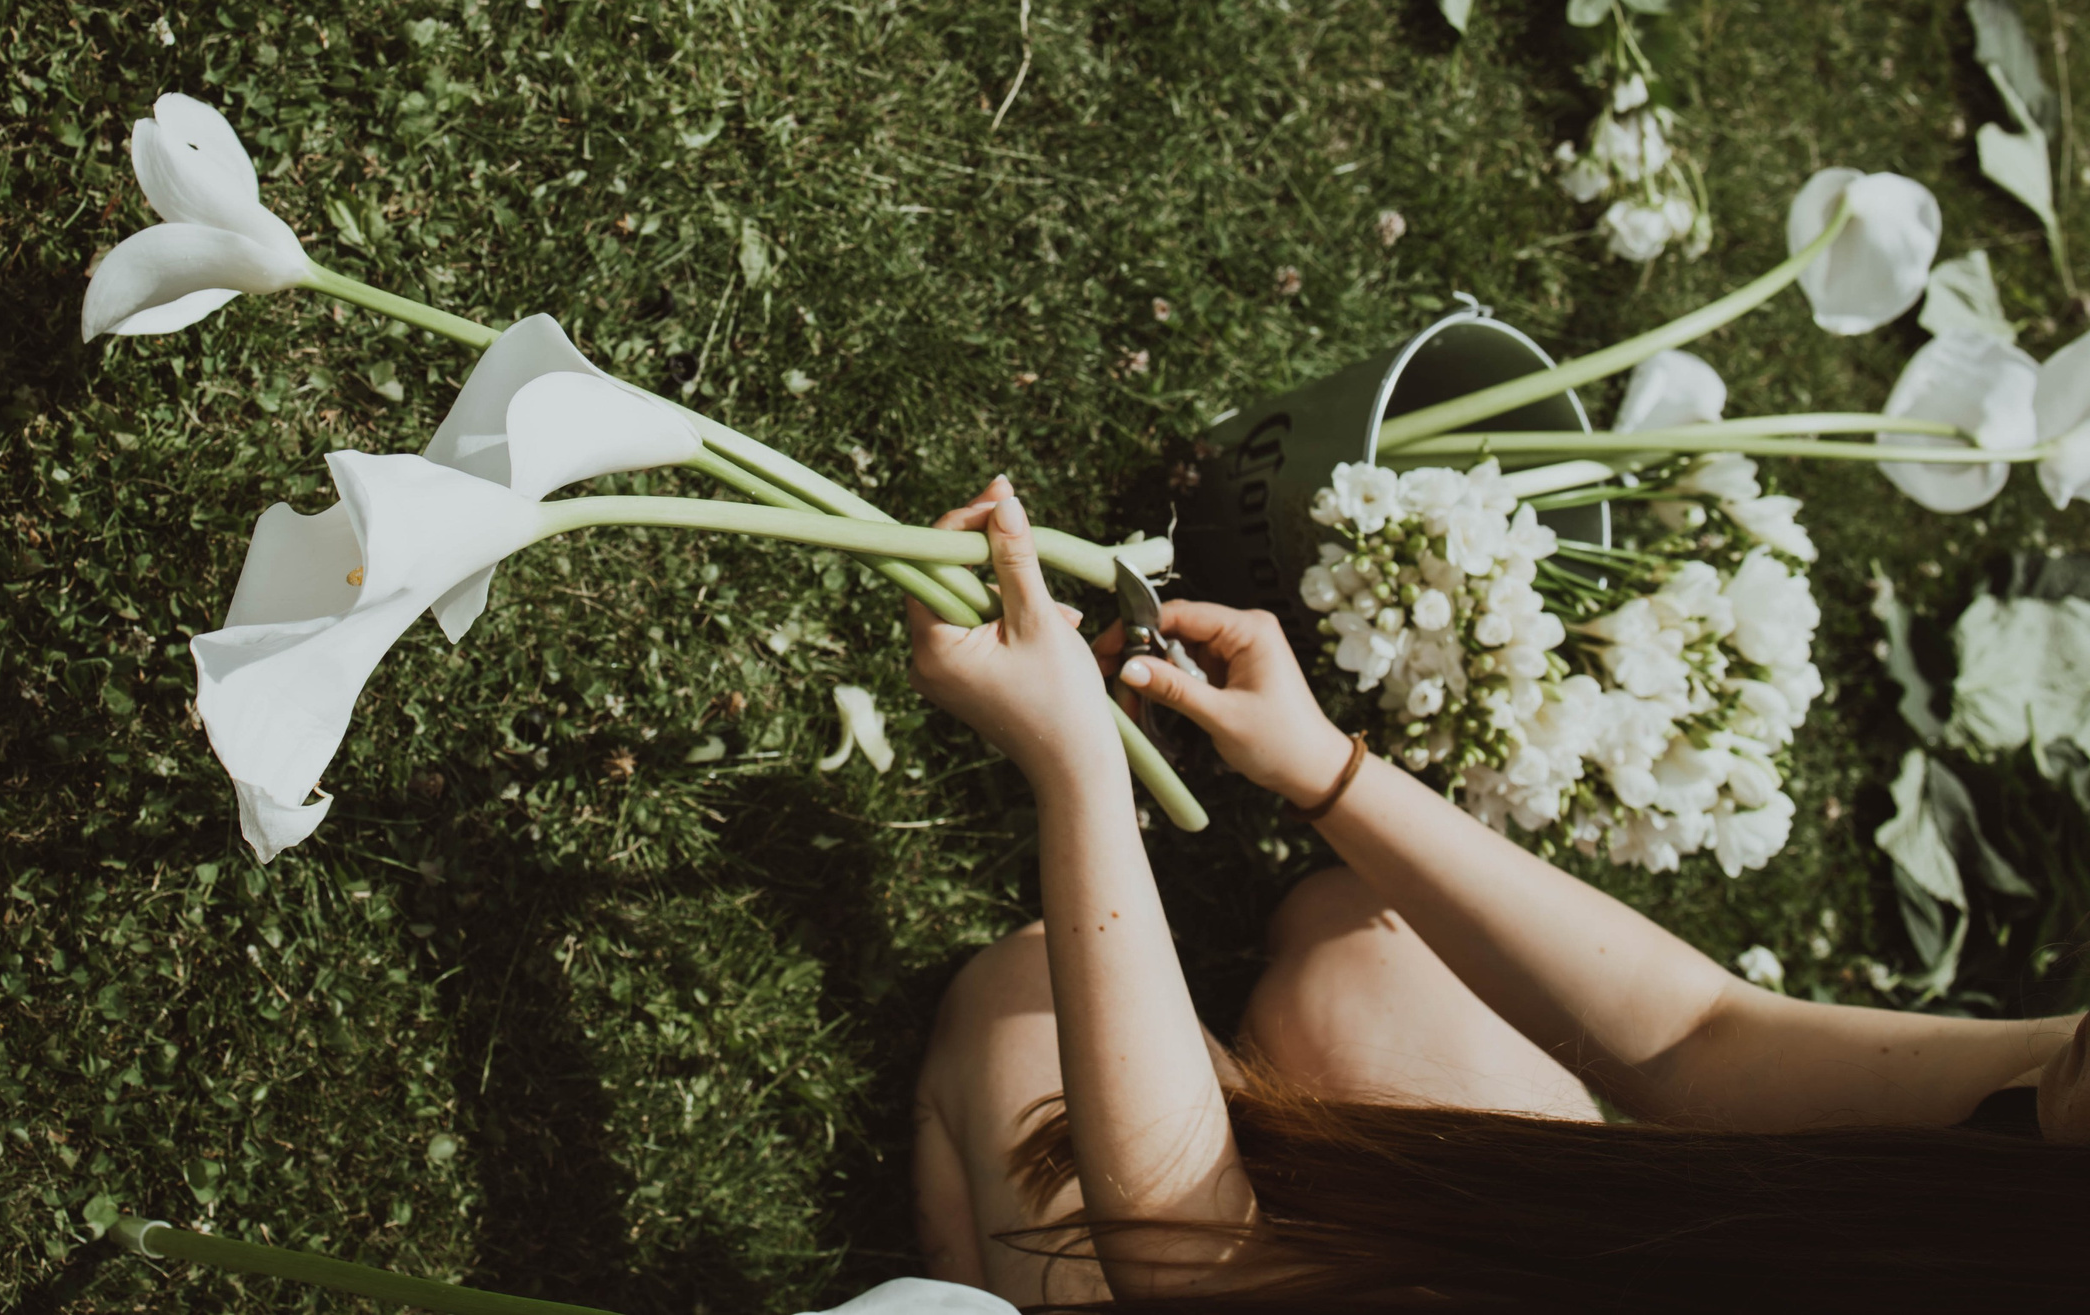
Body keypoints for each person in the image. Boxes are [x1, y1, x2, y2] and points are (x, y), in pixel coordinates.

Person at [886, 477, 2090, 1312]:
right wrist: (1322, 767)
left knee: (1028, 991)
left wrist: (1078, 768)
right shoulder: (2060, 1104)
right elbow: (1693, 1040)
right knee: (1362, 940)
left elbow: (1194, 1264)